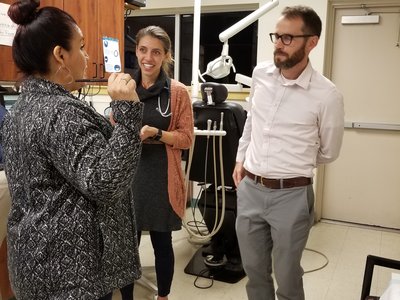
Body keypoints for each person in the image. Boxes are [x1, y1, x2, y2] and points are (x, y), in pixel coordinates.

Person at [1, 1, 144, 299]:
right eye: (81, 47)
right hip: (71, 275)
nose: (87, 56)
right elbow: (106, 183)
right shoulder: (62, 111)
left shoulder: (22, 109)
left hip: (35, 263)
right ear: (60, 55)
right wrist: (128, 114)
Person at [232, 6, 344, 300]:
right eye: (277, 36)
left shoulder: (326, 94)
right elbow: (252, 121)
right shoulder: (261, 74)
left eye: (288, 38)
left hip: (292, 196)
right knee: (253, 270)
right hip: (251, 189)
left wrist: (294, 160)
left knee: (287, 274)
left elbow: (329, 151)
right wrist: (241, 159)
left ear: (312, 42)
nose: (278, 44)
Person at [118, 25, 194, 300]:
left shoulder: (177, 92)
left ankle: (163, 296)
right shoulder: (125, 86)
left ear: (165, 56)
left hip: (162, 177)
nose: (148, 57)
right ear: (136, 51)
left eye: (156, 52)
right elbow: (116, 127)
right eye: (142, 50)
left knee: (163, 243)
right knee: (128, 246)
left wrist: (157, 133)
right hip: (129, 178)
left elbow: (186, 138)